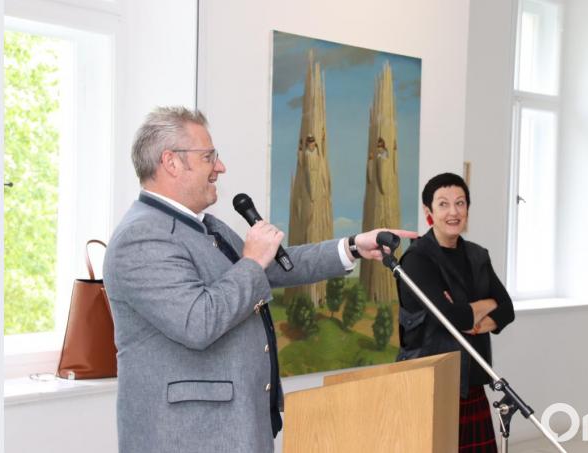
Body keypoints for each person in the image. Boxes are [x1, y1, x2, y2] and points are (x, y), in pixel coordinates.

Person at [103, 106, 415, 453]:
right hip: (189, 437)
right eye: (208, 157)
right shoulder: (141, 237)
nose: (219, 167)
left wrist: (353, 246)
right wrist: (251, 260)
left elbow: (270, 266)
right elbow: (198, 321)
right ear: (171, 162)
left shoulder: (206, 226)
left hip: (236, 428)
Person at [396, 172, 515, 453]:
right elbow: (454, 319)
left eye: (460, 203)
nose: (453, 212)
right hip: (431, 381)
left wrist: (471, 317)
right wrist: (485, 304)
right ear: (429, 212)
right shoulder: (416, 260)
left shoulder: (477, 255)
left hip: (471, 380)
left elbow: (507, 309)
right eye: (443, 204)